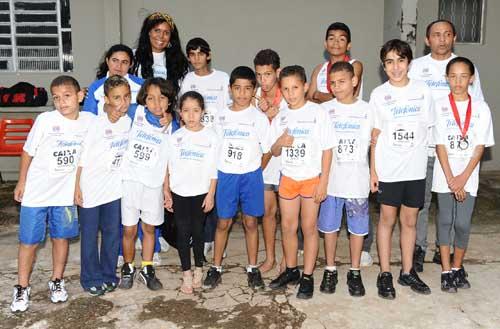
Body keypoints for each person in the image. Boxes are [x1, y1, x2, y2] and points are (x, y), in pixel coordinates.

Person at [10, 76, 94, 313]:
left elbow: (113, 118)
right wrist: (22, 182)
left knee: (61, 238)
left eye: (67, 95)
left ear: (79, 96)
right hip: (36, 193)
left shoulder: (89, 121)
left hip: (64, 195)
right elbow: (27, 152)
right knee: (29, 241)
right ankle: (21, 286)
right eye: (56, 97)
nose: (61, 102)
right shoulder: (45, 120)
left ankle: (57, 280)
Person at [408, 19, 484, 272]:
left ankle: (449, 252)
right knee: (421, 203)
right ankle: (419, 248)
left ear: (454, 38)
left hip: (456, 153)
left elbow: (477, 109)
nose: (441, 39)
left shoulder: (465, 67)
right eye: (436, 35)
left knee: (454, 207)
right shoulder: (416, 67)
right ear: (427, 40)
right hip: (423, 148)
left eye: (447, 34)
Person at [370, 39, 435, 299]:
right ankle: (385, 273)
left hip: (416, 169)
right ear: (383, 66)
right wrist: (373, 172)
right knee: (387, 220)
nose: (395, 67)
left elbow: (428, 128)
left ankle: (407, 271)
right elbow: (373, 137)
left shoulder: (423, 91)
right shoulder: (378, 95)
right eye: (389, 62)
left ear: (409, 62)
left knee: (410, 222)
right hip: (389, 169)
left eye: (400, 60)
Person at [202, 66, 271, 290]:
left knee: (251, 222)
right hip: (226, 175)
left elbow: (267, 148)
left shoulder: (258, 118)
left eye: (247, 89)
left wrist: (255, 169)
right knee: (223, 222)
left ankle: (252, 268)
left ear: (254, 91)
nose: (242, 93)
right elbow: (212, 147)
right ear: (230, 89)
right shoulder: (220, 116)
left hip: (250, 176)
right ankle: (216, 268)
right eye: (237, 88)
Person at [269, 65, 334, 299]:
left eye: (295, 87)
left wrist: (323, 181)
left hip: (310, 179)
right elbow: (274, 151)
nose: (290, 93)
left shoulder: (318, 113)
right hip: (288, 178)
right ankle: (291, 270)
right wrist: (280, 142)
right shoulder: (282, 114)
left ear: (305, 86)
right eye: (285, 88)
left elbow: (328, 149)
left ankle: (307, 276)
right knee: (287, 227)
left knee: (308, 228)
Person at [431, 57, 494, 292]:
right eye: (453, 76)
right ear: (446, 78)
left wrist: (463, 178)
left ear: (472, 78)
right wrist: (451, 179)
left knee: (463, 223)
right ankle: (446, 271)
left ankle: (458, 267)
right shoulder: (438, 105)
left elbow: (480, 146)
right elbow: (439, 145)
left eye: (463, 76)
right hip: (444, 174)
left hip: (468, 176)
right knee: (446, 220)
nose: (458, 82)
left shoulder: (481, 107)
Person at [119, 78, 179, 291]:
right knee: (128, 229)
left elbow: (167, 161)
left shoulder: (173, 126)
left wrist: (166, 189)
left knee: (149, 228)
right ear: (144, 100)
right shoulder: (135, 113)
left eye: (162, 98)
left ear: (170, 102)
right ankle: (127, 267)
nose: (156, 103)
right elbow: (112, 105)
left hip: (153, 185)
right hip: (130, 181)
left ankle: (146, 268)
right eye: (151, 98)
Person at [319, 61, 372, 297]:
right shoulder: (324, 110)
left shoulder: (368, 110)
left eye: (341, 81)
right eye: (332, 83)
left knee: (357, 229)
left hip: (357, 180)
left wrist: (375, 173)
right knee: (329, 228)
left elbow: (375, 144)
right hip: (331, 181)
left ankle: (354, 271)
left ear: (354, 81)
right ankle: (330, 269)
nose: (336, 87)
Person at [75, 75, 132, 296]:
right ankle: (90, 277)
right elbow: (81, 158)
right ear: (106, 99)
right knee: (89, 235)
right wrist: (76, 187)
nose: (123, 102)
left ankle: (109, 275)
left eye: (126, 97)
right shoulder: (94, 122)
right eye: (116, 98)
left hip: (114, 189)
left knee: (111, 234)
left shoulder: (128, 122)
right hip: (90, 188)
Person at [179, 37, 231, 258]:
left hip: (216, 141)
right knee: (197, 190)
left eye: (200, 53)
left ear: (208, 55)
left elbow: (230, 108)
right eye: (192, 54)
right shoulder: (188, 79)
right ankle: (199, 236)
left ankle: (212, 239)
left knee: (214, 191)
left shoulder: (222, 78)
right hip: (193, 143)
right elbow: (181, 109)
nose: (196, 58)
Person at [164, 91, 218, 294]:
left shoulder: (211, 136)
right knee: (182, 233)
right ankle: (186, 274)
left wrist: (211, 194)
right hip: (179, 193)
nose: (191, 115)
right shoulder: (175, 137)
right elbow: (167, 168)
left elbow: (214, 170)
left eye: (196, 110)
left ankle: (198, 269)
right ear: (180, 112)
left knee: (198, 233)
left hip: (201, 193)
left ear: (202, 112)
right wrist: (166, 192)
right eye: (186, 111)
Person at [253, 49, 288, 273]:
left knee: (286, 214)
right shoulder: (254, 95)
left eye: (267, 74)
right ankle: (270, 257)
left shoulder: (288, 93)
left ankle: (287, 256)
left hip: (286, 162)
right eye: (259, 75)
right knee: (267, 212)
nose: (263, 81)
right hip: (263, 162)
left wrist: (276, 114)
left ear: (278, 72)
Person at [133, 11, 188, 94]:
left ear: (171, 37)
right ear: (149, 32)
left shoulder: (180, 61)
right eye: (157, 30)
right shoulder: (134, 57)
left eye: (166, 33)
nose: (161, 36)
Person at [307, 22, 364, 103]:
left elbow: (348, 96)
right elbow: (309, 100)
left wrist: (318, 95)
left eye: (341, 39)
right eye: (331, 38)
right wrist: (332, 98)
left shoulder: (355, 65)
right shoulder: (318, 70)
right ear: (325, 44)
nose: (336, 42)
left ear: (349, 45)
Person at [83, 44, 143, 116]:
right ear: (107, 61)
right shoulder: (95, 87)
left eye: (124, 62)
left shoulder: (142, 85)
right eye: (115, 60)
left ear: (131, 64)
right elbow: (88, 116)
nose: (119, 66)